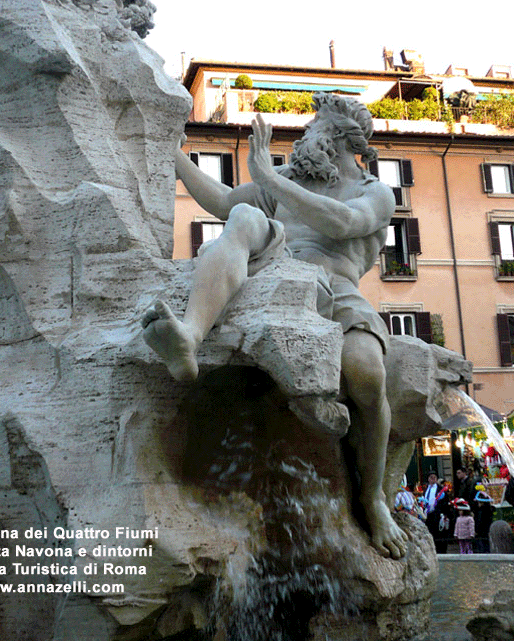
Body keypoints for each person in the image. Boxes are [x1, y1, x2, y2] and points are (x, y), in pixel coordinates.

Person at [142, 93, 408, 559]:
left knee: (368, 372)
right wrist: (172, 153)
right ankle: (188, 336)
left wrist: (268, 178)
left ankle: (372, 497)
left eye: (314, 128)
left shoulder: (373, 191)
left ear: (342, 139)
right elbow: (222, 200)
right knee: (244, 216)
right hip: (280, 264)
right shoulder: (284, 180)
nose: (305, 136)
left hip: (337, 286)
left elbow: (344, 222)